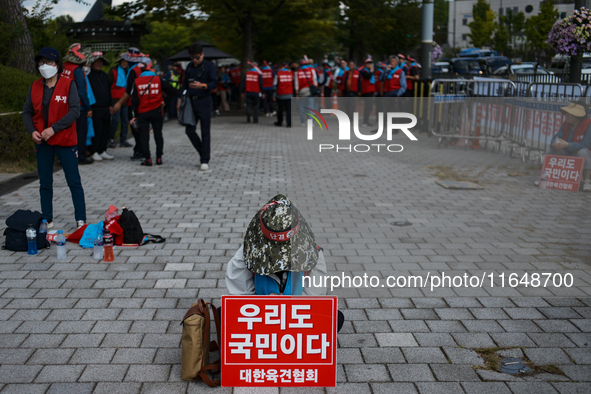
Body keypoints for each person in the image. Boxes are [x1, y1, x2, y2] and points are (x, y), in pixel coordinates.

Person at [225, 194, 344, 332]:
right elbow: (238, 297)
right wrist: (264, 306)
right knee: (225, 314)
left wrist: (286, 306)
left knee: (335, 318)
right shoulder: (246, 253)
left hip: (296, 317)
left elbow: (313, 299)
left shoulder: (313, 253)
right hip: (258, 316)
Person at [22, 47, 86, 229]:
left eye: (49, 62)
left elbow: (75, 111)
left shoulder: (68, 84)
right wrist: (32, 131)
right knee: (45, 182)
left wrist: (54, 128)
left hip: (65, 140)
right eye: (41, 62)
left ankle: (81, 219)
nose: (45, 66)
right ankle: (47, 218)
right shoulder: (35, 86)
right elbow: (27, 112)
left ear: (57, 64)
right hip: (42, 141)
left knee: (73, 181)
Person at [177, 43, 217, 171]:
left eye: (197, 57)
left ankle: (204, 160)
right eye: (192, 58)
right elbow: (184, 84)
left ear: (202, 54)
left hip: (204, 101)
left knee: (205, 131)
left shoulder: (209, 66)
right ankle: (203, 152)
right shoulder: (189, 67)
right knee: (189, 130)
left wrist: (203, 85)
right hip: (190, 102)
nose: (194, 60)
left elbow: (214, 83)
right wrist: (180, 99)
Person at [544, 103, 591, 191]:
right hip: (568, 152)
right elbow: (557, 136)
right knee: (551, 148)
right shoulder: (566, 123)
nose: (567, 115)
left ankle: (587, 181)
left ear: (577, 116)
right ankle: (546, 177)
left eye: (570, 113)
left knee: (583, 152)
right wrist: (554, 143)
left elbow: (586, 144)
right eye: (566, 113)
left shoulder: (589, 125)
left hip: (585, 154)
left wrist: (568, 145)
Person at [128, 58, 164, 167]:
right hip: (157, 111)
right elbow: (172, 90)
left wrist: (135, 115)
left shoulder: (137, 81)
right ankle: (158, 157)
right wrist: (163, 101)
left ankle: (148, 159)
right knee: (158, 135)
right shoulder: (158, 80)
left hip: (143, 112)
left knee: (144, 136)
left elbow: (134, 101)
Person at [111, 47, 145, 161]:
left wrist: (120, 102)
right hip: (145, 103)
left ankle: (140, 151)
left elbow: (129, 91)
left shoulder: (133, 71)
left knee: (135, 127)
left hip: (133, 104)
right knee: (141, 128)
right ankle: (142, 150)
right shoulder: (143, 69)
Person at [62, 43, 93, 165]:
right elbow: (82, 90)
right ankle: (80, 156)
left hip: (62, 105)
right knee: (80, 133)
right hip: (77, 106)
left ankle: (64, 157)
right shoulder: (77, 70)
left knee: (65, 133)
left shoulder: (62, 67)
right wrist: (88, 107)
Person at [86, 51, 114, 162]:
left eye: (100, 62)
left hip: (105, 107)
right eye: (96, 62)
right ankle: (94, 151)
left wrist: (110, 105)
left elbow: (108, 91)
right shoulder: (88, 75)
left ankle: (103, 150)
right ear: (92, 63)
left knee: (106, 130)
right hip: (95, 108)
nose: (98, 64)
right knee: (96, 130)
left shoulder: (105, 75)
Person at [108, 53, 136, 148]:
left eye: (126, 61)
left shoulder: (129, 71)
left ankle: (123, 140)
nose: (124, 63)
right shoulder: (113, 71)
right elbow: (108, 85)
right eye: (123, 61)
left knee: (125, 121)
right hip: (115, 100)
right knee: (115, 121)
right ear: (120, 61)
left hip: (126, 100)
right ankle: (110, 139)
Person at [294, 56, 318, 126]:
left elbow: (296, 84)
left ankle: (302, 122)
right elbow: (315, 81)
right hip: (310, 91)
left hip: (302, 92)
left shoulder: (297, 72)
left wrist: (297, 94)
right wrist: (315, 91)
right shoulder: (312, 70)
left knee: (302, 108)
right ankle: (311, 122)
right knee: (311, 107)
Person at [273, 61, 294, 128]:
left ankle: (280, 122)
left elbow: (275, 85)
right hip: (289, 94)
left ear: (281, 66)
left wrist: (274, 95)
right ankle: (289, 123)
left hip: (280, 94)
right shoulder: (291, 74)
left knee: (280, 109)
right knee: (289, 110)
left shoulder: (278, 74)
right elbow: (293, 83)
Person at [359, 56, 377, 127]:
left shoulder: (369, 71)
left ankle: (366, 121)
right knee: (368, 106)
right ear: (365, 64)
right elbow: (367, 77)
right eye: (368, 63)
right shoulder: (364, 71)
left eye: (371, 63)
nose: (370, 65)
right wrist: (371, 71)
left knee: (369, 107)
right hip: (366, 91)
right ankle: (365, 121)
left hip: (370, 91)